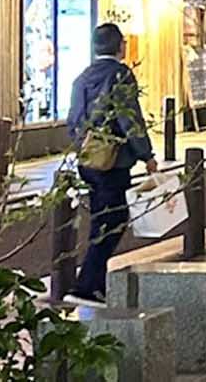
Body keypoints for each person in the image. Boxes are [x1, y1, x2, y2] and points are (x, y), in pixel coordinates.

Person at [65, 24, 157, 305]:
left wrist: (86, 145)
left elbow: (73, 120)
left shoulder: (82, 77)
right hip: (114, 161)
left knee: (100, 219)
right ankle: (87, 286)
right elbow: (129, 118)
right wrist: (146, 154)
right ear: (120, 46)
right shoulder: (121, 75)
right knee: (113, 220)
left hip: (89, 159)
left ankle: (95, 285)